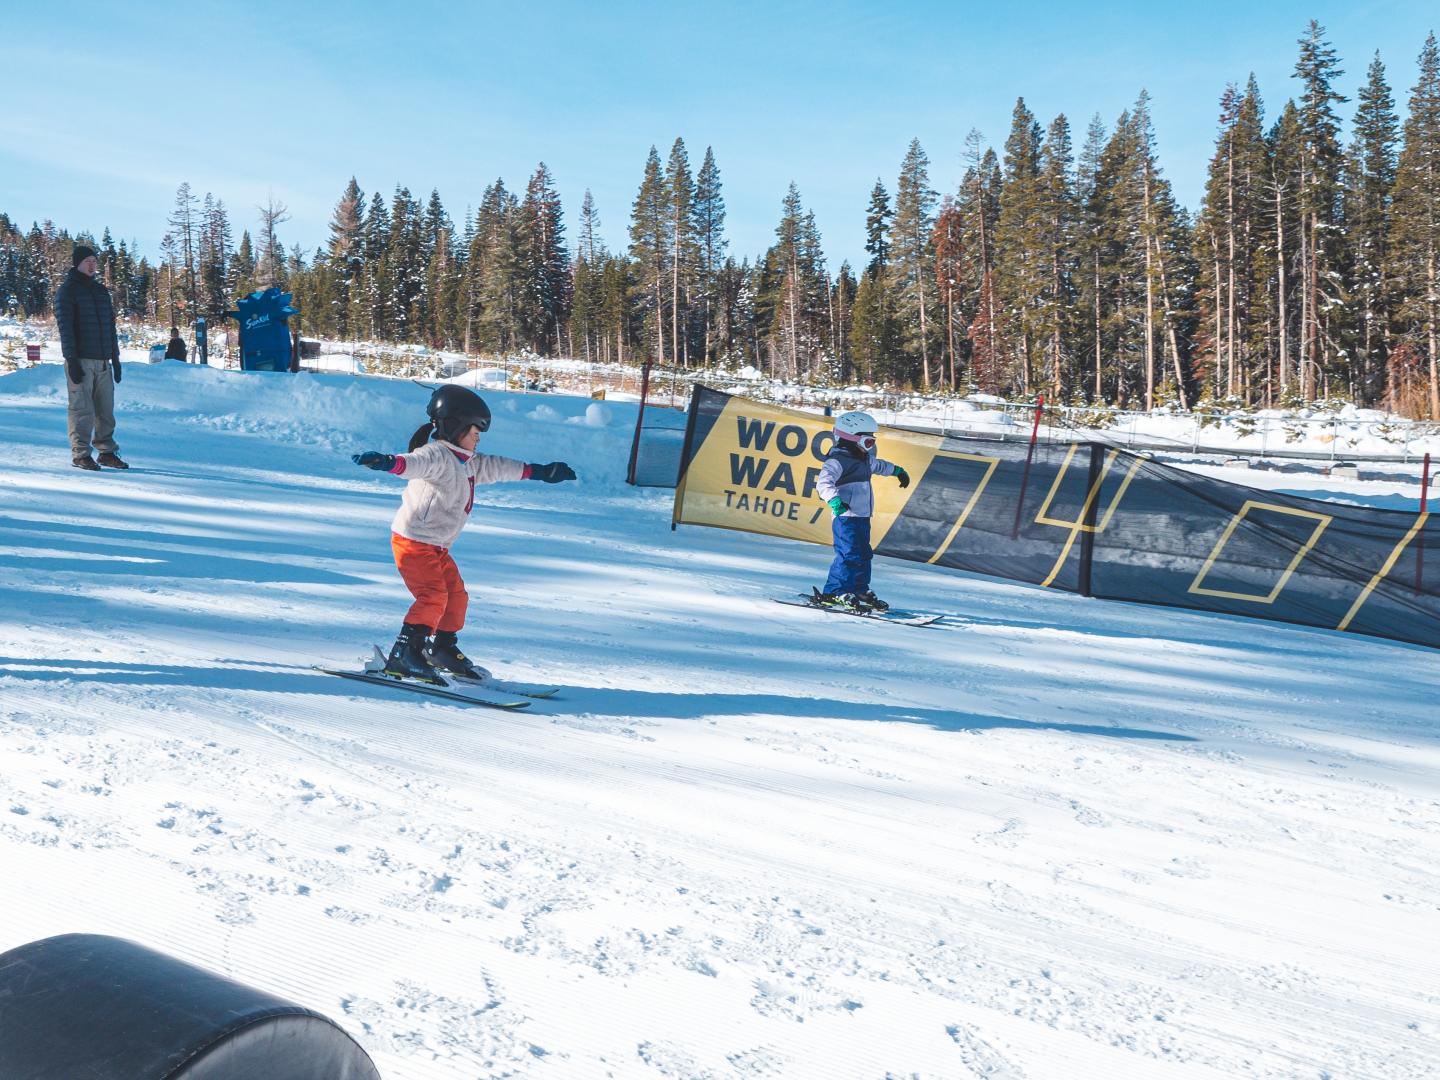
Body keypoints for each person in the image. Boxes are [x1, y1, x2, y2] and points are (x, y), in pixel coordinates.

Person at [352, 385, 577, 683]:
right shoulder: (436, 456)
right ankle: (405, 654)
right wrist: (387, 462)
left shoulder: (469, 462)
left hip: (436, 547)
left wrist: (540, 471)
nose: (478, 438)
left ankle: (441, 648)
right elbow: (412, 463)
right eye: (475, 432)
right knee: (432, 596)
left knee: (456, 596)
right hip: (413, 542)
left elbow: (500, 467)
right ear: (456, 427)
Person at [812, 410, 909, 611]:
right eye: (868, 442)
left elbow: (879, 466)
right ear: (850, 439)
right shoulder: (837, 461)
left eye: (873, 442)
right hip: (845, 516)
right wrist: (835, 501)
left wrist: (897, 471)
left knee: (864, 554)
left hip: (862, 516)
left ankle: (858, 589)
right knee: (848, 554)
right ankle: (834, 591)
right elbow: (823, 483)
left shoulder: (863, 460)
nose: (871, 446)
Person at [54, 244, 127, 470]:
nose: (92, 264)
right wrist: (72, 361)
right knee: (82, 409)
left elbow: (110, 328)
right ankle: (81, 454)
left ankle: (106, 451)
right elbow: (66, 329)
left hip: (102, 361)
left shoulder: (100, 291)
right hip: (81, 361)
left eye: (95, 261)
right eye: (88, 261)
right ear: (77, 263)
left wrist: (115, 359)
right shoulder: (67, 291)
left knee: (105, 410)